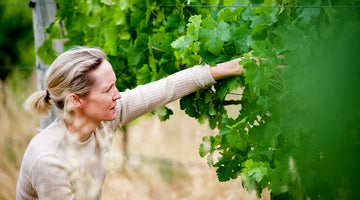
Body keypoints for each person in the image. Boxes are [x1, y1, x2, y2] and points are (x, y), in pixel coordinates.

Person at [16, 46, 245, 199]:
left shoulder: (103, 121)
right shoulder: (49, 161)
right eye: (107, 90)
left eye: (114, 84)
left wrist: (233, 67)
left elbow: (166, 89)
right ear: (76, 100)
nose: (118, 94)